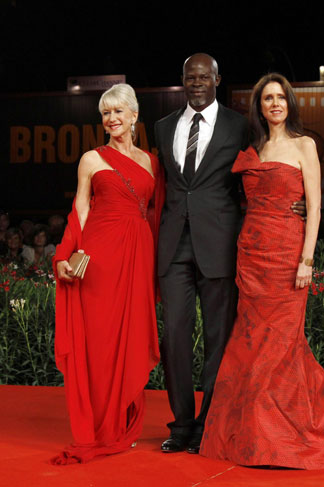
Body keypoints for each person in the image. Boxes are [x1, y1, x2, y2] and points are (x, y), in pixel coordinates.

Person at [200, 73, 324, 469]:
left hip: (286, 257)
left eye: (281, 97)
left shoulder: (305, 145)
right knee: (250, 344)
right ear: (259, 107)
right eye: (267, 99)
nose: (275, 104)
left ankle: (279, 435)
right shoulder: (253, 148)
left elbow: (313, 207)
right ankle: (252, 436)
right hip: (250, 256)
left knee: (281, 345)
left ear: (289, 103)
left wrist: (307, 260)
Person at [155, 54, 304, 454]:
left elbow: (266, 170)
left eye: (205, 77)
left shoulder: (240, 126)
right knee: (174, 340)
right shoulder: (163, 126)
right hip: (173, 248)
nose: (197, 83)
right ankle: (182, 424)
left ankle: (208, 424)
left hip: (220, 247)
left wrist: (295, 201)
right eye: (190, 77)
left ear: (218, 79)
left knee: (219, 342)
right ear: (182, 80)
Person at [51, 83, 164, 465]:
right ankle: (99, 428)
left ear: (134, 116)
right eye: (106, 113)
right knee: (99, 342)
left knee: (129, 337)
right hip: (99, 258)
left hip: (137, 257)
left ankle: (123, 423)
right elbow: (80, 210)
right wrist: (66, 254)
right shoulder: (90, 159)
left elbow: (155, 213)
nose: (112, 119)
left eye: (119, 111)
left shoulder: (151, 162)